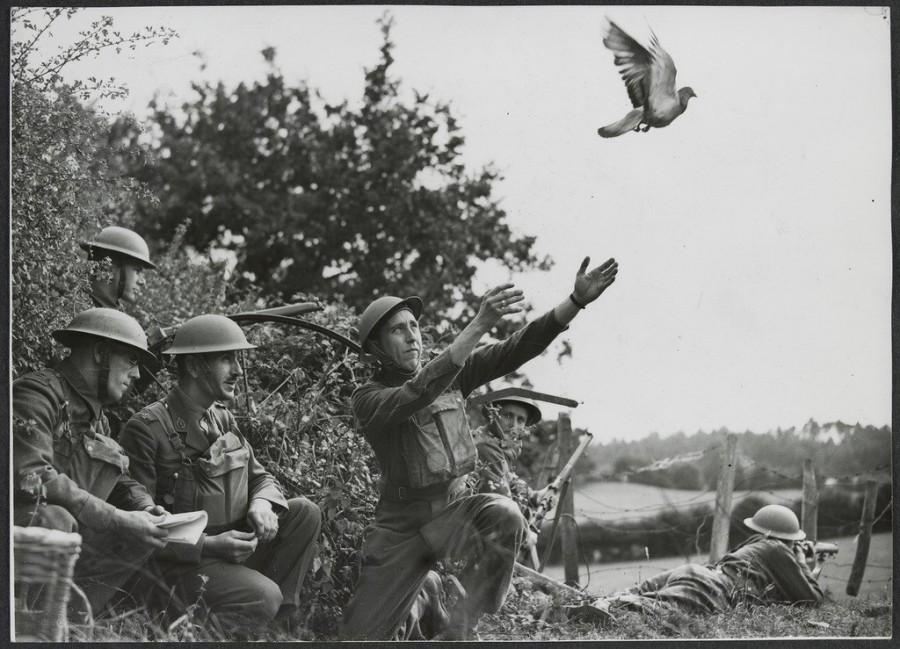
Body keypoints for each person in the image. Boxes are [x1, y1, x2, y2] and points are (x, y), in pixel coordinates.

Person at [340, 256, 619, 640]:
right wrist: (479, 323)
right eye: (397, 331)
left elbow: (517, 347)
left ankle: (462, 626)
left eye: (414, 327)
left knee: (505, 514)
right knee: (358, 640)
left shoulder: (458, 373)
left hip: (451, 514)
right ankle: (429, 591)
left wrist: (574, 300)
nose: (412, 337)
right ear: (376, 347)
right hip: (400, 528)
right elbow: (416, 392)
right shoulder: (367, 398)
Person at [117, 314, 322, 635]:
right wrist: (211, 545)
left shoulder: (222, 419)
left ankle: (266, 625)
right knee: (263, 595)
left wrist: (261, 504)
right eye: (228, 359)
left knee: (304, 514)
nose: (239, 370)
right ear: (196, 366)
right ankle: (199, 628)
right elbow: (142, 529)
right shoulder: (146, 429)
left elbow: (260, 477)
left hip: (227, 549)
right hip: (178, 567)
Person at [13, 308, 170, 618]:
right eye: (131, 361)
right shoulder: (35, 395)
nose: (136, 375)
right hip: (21, 532)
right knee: (55, 520)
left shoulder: (97, 418)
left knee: (141, 537)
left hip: (60, 538)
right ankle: (22, 623)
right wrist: (115, 518)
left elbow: (119, 481)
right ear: (101, 353)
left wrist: (143, 507)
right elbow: (32, 477)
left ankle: (68, 622)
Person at [578, 504, 824, 620]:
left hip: (697, 574)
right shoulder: (778, 549)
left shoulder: (754, 548)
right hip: (710, 588)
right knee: (657, 609)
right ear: (789, 539)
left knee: (641, 593)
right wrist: (801, 559)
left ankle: (597, 602)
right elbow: (812, 599)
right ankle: (607, 608)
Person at [81, 226, 156, 311]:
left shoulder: (116, 315)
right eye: (137, 271)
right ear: (108, 265)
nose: (142, 281)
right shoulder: (75, 306)